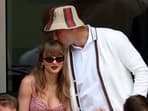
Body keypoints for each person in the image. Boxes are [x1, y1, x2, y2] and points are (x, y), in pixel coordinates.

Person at [43, 5, 148, 111]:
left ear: (72, 28)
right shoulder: (62, 56)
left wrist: (134, 106)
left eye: (57, 31)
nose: (54, 37)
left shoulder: (112, 38)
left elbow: (141, 70)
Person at [18, 40, 72, 111]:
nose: (54, 62)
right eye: (49, 59)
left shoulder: (66, 84)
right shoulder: (28, 83)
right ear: (42, 61)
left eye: (59, 59)